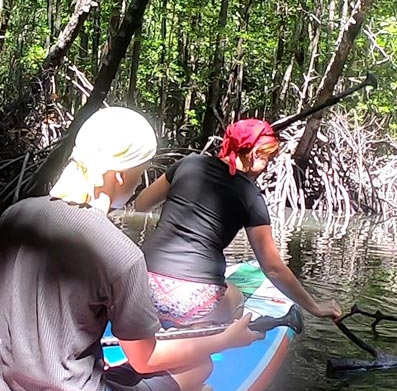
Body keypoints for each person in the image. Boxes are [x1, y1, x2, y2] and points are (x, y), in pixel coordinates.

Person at [0, 107, 263, 391]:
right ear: (118, 176)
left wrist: (24, 333)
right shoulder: (122, 253)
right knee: (199, 369)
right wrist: (225, 340)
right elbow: (146, 360)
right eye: (140, 172)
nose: (141, 181)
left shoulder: (18, 215)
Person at [132, 118, 342, 327]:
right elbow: (273, 268)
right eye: (268, 158)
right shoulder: (251, 196)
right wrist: (314, 307)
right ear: (255, 154)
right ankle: (200, 331)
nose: (267, 166)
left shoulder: (188, 164)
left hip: (141, 285)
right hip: (194, 298)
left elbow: (141, 204)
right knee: (236, 296)